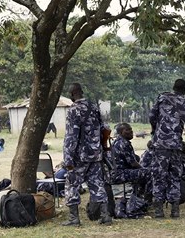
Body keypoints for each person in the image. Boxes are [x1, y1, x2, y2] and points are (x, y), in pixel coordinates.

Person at [62, 82, 112, 226]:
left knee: (71, 185)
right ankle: (105, 216)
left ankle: (74, 219)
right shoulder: (94, 107)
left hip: (80, 156)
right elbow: (105, 129)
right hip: (96, 154)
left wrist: (68, 158)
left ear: (72, 95)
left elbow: (71, 136)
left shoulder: (74, 110)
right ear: (82, 92)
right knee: (97, 184)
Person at [149, 79, 185, 218]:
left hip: (160, 145)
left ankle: (158, 210)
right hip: (176, 145)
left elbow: (152, 116)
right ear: (184, 90)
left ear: (173, 87)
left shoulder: (162, 98)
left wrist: (155, 131)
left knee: (159, 176)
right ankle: (175, 210)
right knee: (175, 176)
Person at [110, 123, 152, 199]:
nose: (131, 131)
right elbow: (133, 164)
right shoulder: (124, 143)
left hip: (115, 173)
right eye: (128, 130)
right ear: (121, 132)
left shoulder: (116, 142)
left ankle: (137, 197)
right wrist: (143, 169)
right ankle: (145, 200)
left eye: (131, 129)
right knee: (149, 173)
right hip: (120, 174)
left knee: (141, 172)